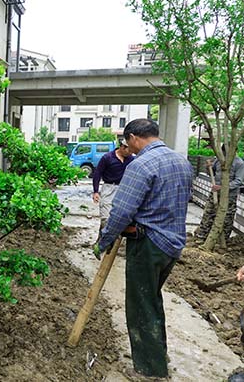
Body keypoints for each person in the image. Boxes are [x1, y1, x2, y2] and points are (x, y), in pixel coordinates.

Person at [94, 119, 194, 379]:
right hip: (172, 245)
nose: (128, 147)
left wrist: (104, 240)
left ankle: (150, 370)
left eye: (127, 142)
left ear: (134, 137)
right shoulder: (181, 161)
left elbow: (122, 211)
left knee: (140, 306)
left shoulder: (141, 164)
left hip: (148, 244)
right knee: (152, 300)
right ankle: (157, 352)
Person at [194, 146, 244, 242]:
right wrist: (208, 167)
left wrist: (223, 187)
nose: (225, 155)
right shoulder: (218, 160)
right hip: (215, 194)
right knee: (208, 214)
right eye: (224, 153)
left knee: (226, 219)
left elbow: (238, 181)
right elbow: (211, 173)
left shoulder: (239, 163)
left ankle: (222, 241)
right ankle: (202, 237)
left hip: (229, 196)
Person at [92, 139, 134, 240]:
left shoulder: (131, 160)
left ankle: (112, 241)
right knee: (106, 217)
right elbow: (97, 174)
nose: (131, 153)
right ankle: (102, 242)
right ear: (122, 147)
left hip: (124, 189)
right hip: (109, 187)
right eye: (129, 150)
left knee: (119, 218)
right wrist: (96, 191)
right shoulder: (107, 158)